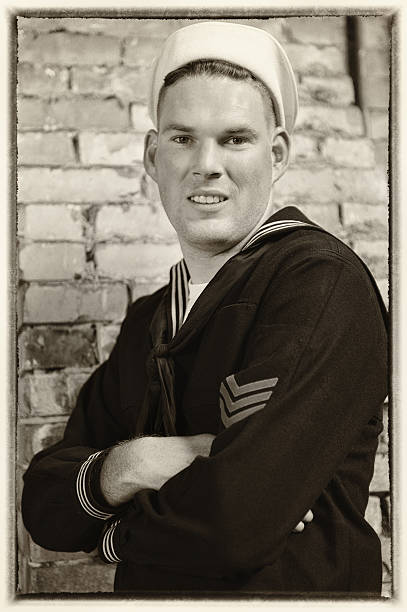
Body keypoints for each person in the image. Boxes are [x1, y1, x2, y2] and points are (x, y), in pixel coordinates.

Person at [21, 21, 388, 595]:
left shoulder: (319, 283)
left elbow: (235, 523)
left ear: (279, 153)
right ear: (152, 154)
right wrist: (138, 462)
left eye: (235, 139)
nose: (206, 163)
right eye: (182, 137)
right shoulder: (149, 320)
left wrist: (113, 533)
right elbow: (44, 505)